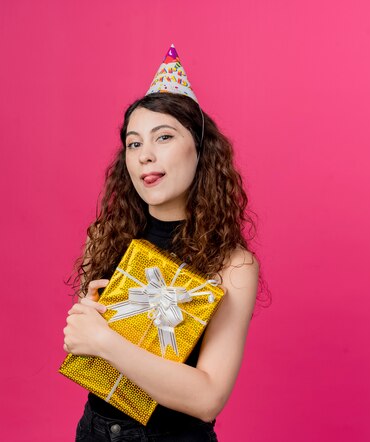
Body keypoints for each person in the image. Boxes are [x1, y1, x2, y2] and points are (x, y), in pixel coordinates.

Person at [63, 45, 268, 441]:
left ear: (201, 149)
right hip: (95, 430)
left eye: (164, 137)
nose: (145, 156)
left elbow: (208, 397)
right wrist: (89, 322)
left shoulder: (233, 265)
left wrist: (104, 340)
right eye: (134, 143)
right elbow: (89, 357)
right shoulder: (105, 236)